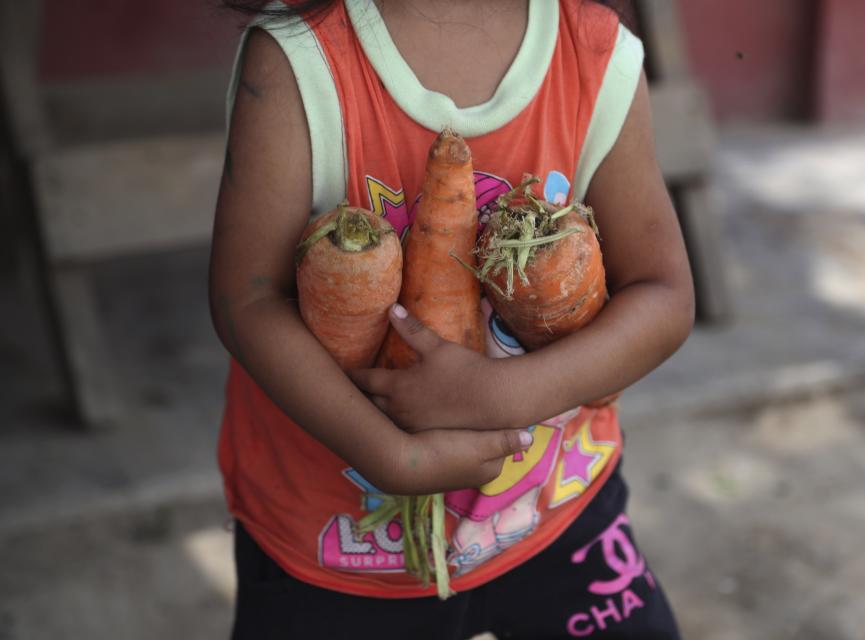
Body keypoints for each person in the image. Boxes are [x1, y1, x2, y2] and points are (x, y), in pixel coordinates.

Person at [210, 0, 694, 637]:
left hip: (554, 511)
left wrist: (507, 393)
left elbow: (663, 295)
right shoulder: (297, 62)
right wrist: (386, 453)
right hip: (337, 545)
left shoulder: (595, 55)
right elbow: (247, 302)